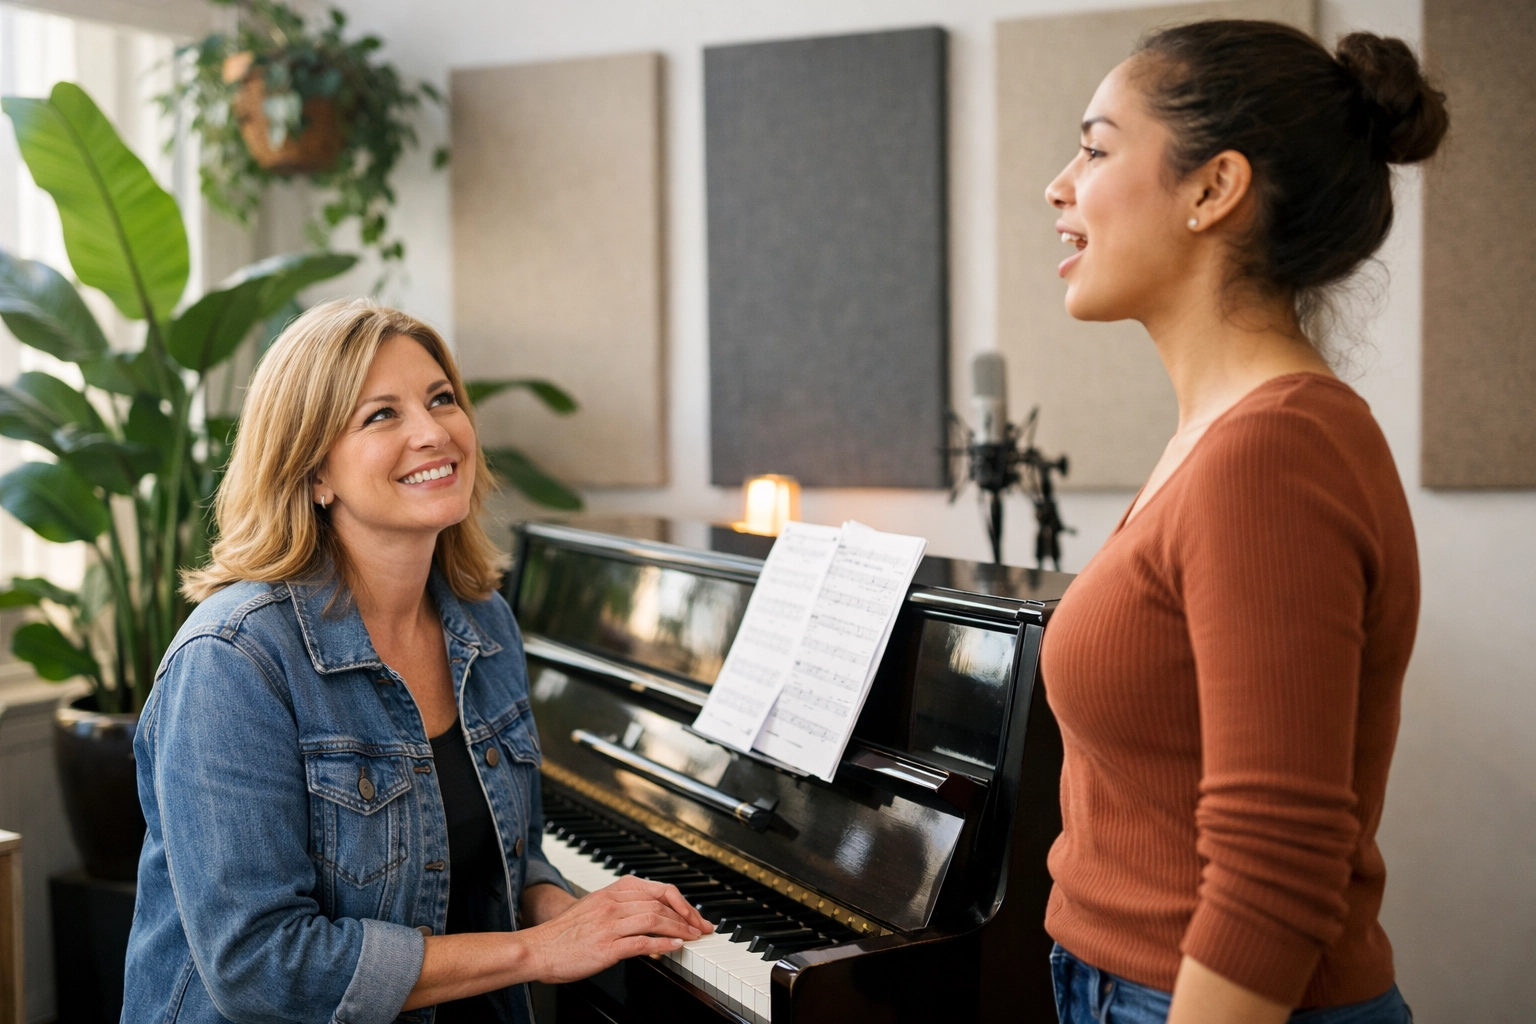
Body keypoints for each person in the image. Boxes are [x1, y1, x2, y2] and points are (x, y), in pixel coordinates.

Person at [122, 300, 710, 1024]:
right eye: (381, 416)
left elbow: (502, 855)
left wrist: (572, 909)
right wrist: (540, 949)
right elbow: (262, 967)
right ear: (313, 474)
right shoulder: (232, 662)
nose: (434, 433)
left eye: (441, 399)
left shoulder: (483, 619)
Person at [1040, 20, 1445, 1024]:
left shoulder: (1274, 454)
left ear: (1214, 189)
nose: (1059, 185)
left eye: (1094, 147)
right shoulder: (1228, 436)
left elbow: (1276, 865)